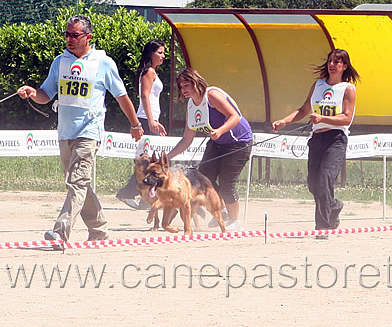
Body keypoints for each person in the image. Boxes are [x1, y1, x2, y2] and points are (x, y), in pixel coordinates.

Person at [17, 15, 143, 248]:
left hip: (90, 131)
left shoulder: (103, 62)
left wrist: (135, 124)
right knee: (78, 183)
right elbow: (46, 94)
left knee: (77, 181)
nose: (69, 39)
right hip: (65, 133)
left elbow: (121, 96)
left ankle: (60, 231)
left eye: (75, 35)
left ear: (88, 37)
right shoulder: (59, 62)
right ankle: (99, 229)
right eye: (67, 34)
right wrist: (32, 92)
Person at [272, 49, 360, 239]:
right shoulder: (318, 85)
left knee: (325, 178)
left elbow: (346, 118)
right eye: (330, 61)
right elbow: (303, 109)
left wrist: (322, 117)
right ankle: (334, 206)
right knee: (313, 183)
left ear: (344, 66)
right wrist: (284, 121)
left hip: (336, 139)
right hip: (317, 139)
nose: (332, 65)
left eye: (337, 62)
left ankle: (323, 226)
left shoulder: (348, 89)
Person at [166, 68, 252, 232]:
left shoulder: (211, 96)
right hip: (217, 142)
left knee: (227, 183)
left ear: (196, 82)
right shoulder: (191, 105)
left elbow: (235, 117)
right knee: (203, 179)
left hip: (239, 141)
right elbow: (187, 139)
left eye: (186, 85)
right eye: (181, 86)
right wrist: (167, 157)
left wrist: (220, 131)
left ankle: (235, 220)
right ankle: (223, 212)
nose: (183, 90)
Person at [117, 39, 167, 209]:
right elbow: (144, 96)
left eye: (163, 53)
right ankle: (129, 192)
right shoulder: (148, 72)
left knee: (150, 161)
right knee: (149, 161)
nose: (163, 56)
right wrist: (151, 120)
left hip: (151, 118)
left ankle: (142, 195)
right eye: (159, 52)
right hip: (146, 119)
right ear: (151, 53)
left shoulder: (153, 72)